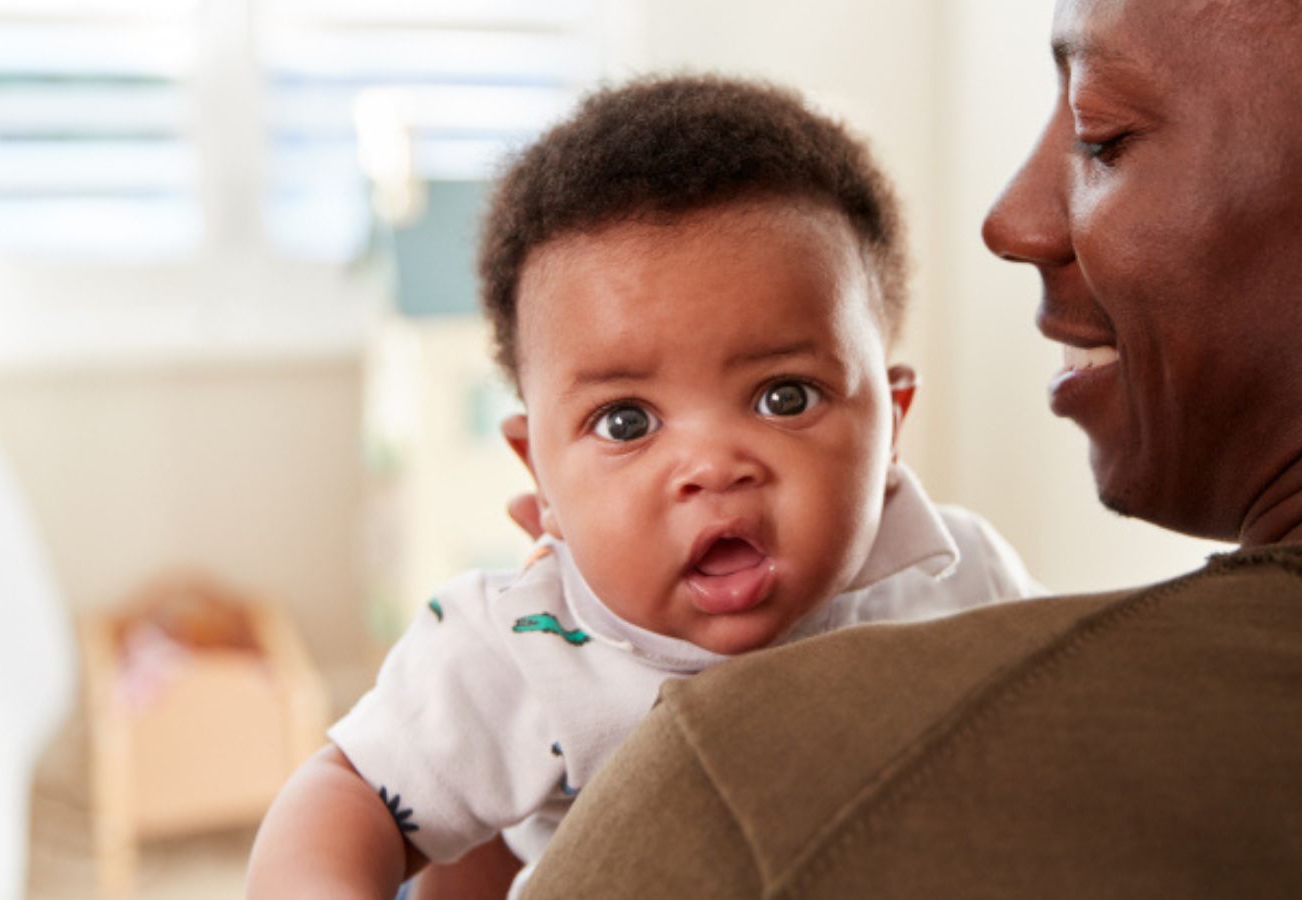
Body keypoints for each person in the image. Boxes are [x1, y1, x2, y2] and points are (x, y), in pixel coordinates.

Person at [520, 0, 1302, 896]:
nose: (1010, 220)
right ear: (536, 462)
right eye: (624, 421)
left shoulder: (761, 783)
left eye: (1102, 136)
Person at [245, 75, 1042, 900]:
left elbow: (1067, 735)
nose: (713, 466)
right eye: (625, 422)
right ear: (540, 479)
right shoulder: (521, 648)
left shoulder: (960, 580)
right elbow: (348, 795)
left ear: (892, 427)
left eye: (786, 396)